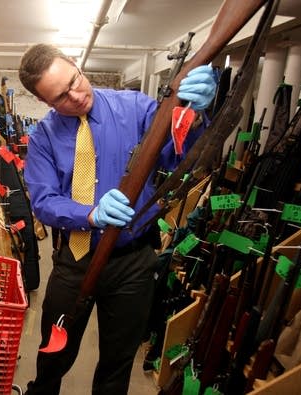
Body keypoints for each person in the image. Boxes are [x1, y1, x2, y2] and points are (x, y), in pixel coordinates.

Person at [18, 43, 216, 394]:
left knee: (117, 362)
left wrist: (195, 117)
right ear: (46, 103)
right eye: (61, 97)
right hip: (76, 259)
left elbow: (177, 158)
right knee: (53, 355)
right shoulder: (42, 138)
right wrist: (90, 214)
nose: (76, 96)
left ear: (78, 66)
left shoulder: (136, 108)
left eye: (75, 81)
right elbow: (44, 202)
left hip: (132, 260)